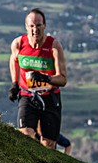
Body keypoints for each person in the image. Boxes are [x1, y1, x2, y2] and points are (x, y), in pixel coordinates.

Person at [8, 8, 67, 149]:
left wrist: (46, 78)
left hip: (50, 97)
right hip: (27, 96)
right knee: (25, 134)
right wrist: (15, 84)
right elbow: (13, 61)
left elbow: (63, 79)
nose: (35, 29)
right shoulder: (18, 43)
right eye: (32, 26)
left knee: (48, 144)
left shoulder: (54, 46)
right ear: (26, 27)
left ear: (45, 26)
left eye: (39, 25)